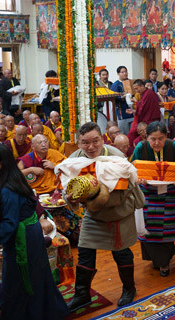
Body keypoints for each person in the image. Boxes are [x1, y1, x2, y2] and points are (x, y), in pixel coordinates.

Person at [0, 144, 69, 319]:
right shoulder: (1, 181)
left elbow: (10, 224)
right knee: (29, 276)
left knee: (20, 280)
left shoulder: (8, 189)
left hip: (23, 237)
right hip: (25, 232)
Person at [64, 122, 143, 310]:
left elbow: (126, 190)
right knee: (84, 252)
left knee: (121, 253)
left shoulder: (116, 157)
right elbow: (69, 188)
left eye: (95, 141)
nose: (91, 147)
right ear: (78, 142)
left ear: (103, 138)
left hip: (118, 213)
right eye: (85, 143)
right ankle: (82, 294)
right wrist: (72, 199)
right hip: (93, 215)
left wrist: (96, 197)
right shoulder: (74, 159)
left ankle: (129, 289)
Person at [133, 121, 175, 276]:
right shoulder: (140, 148)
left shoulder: (173, 146)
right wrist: (138, 178)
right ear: (146, 137)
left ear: (166, 136)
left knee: (167, 227)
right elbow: (133, 169)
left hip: (170, 191)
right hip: (147, 192)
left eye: (161, 138)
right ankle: (158, 259)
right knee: (149, 227)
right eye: (153, 139)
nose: (157, 143)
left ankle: (164, 263)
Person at [128, 79, 162, 144]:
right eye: (135, 89)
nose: (136, 91)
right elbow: (144, 108)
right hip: (149, 119)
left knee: (133, 134)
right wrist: (133, 111)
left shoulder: (148, 93)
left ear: (142, 86)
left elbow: (142, 108)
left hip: (150, 120)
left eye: (137, 88)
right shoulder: (145, 94)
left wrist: (136, 102)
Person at [110, 66, 135, 135]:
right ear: (118, 74)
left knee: (133, 133)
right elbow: (113, 97)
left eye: (126, 71)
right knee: (124, 134)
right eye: (122, 72)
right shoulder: (116, 84)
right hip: (122, 113)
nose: (125, 73)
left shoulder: (131, 82)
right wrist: (122, 97)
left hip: (133, 112)